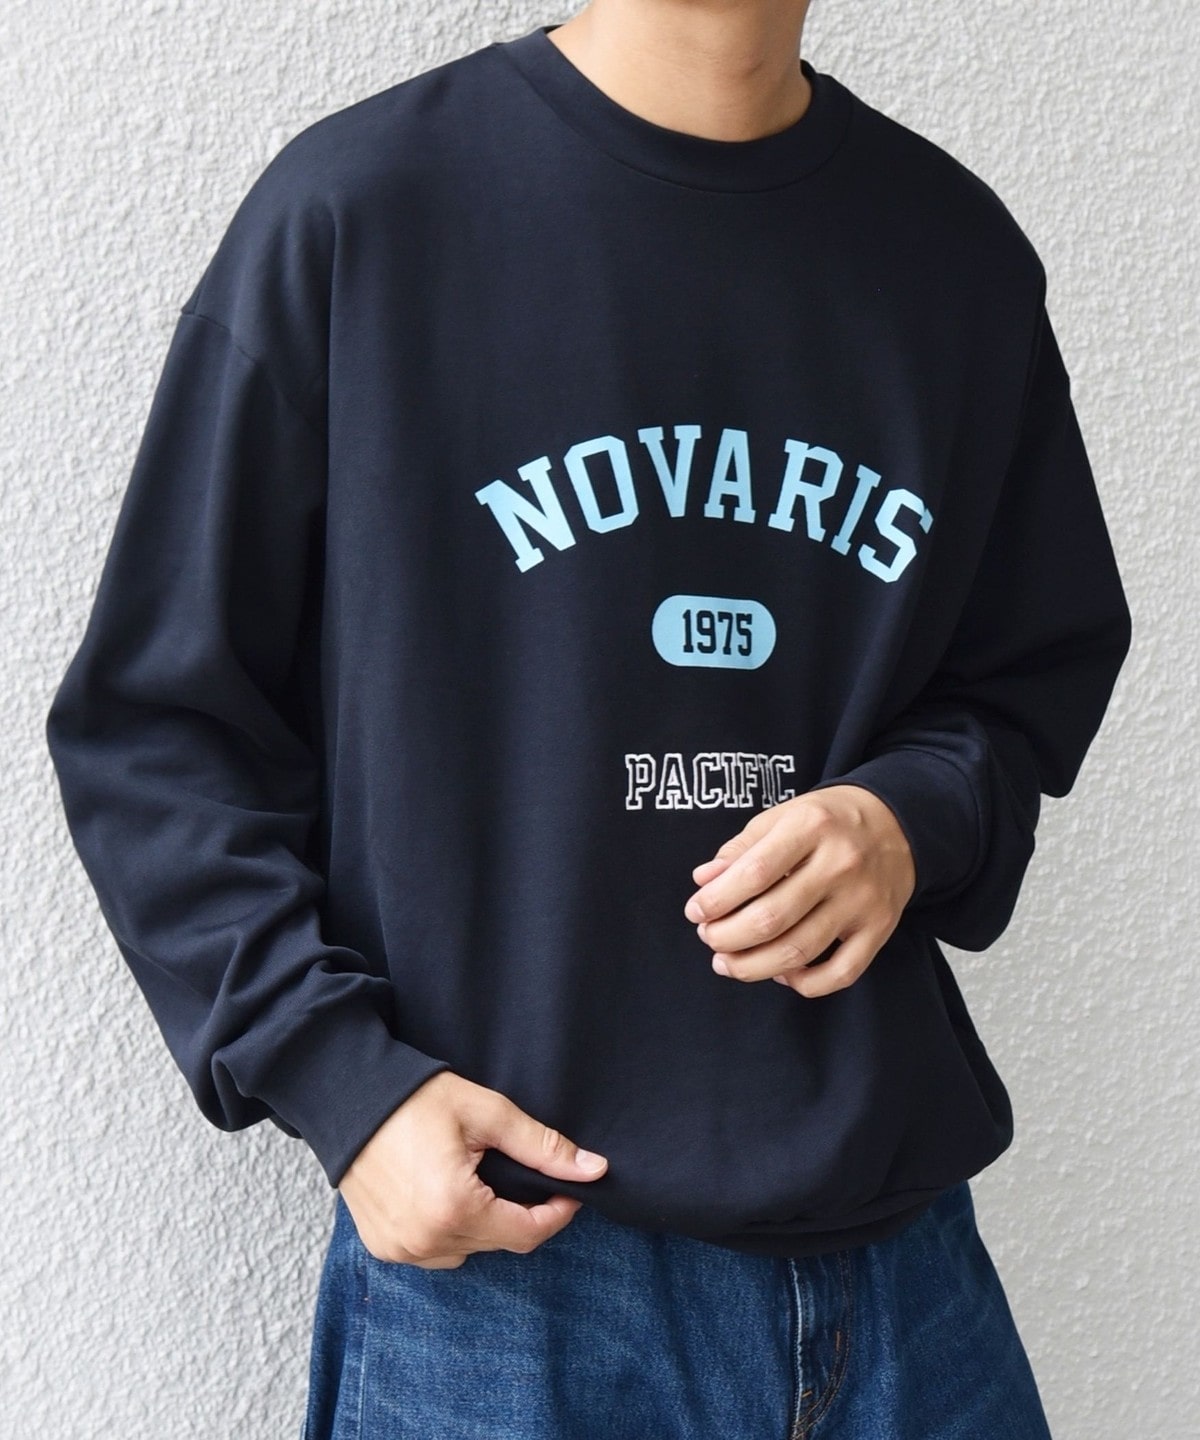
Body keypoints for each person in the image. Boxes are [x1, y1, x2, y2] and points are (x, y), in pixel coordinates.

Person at [45, 1, 1131, 1435]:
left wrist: (907, 820)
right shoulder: (362, 220)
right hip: (509, 1293)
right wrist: (341, 1082)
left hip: (905, 1283)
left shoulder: (956, 259)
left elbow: (1026, 676)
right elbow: (154, 727)